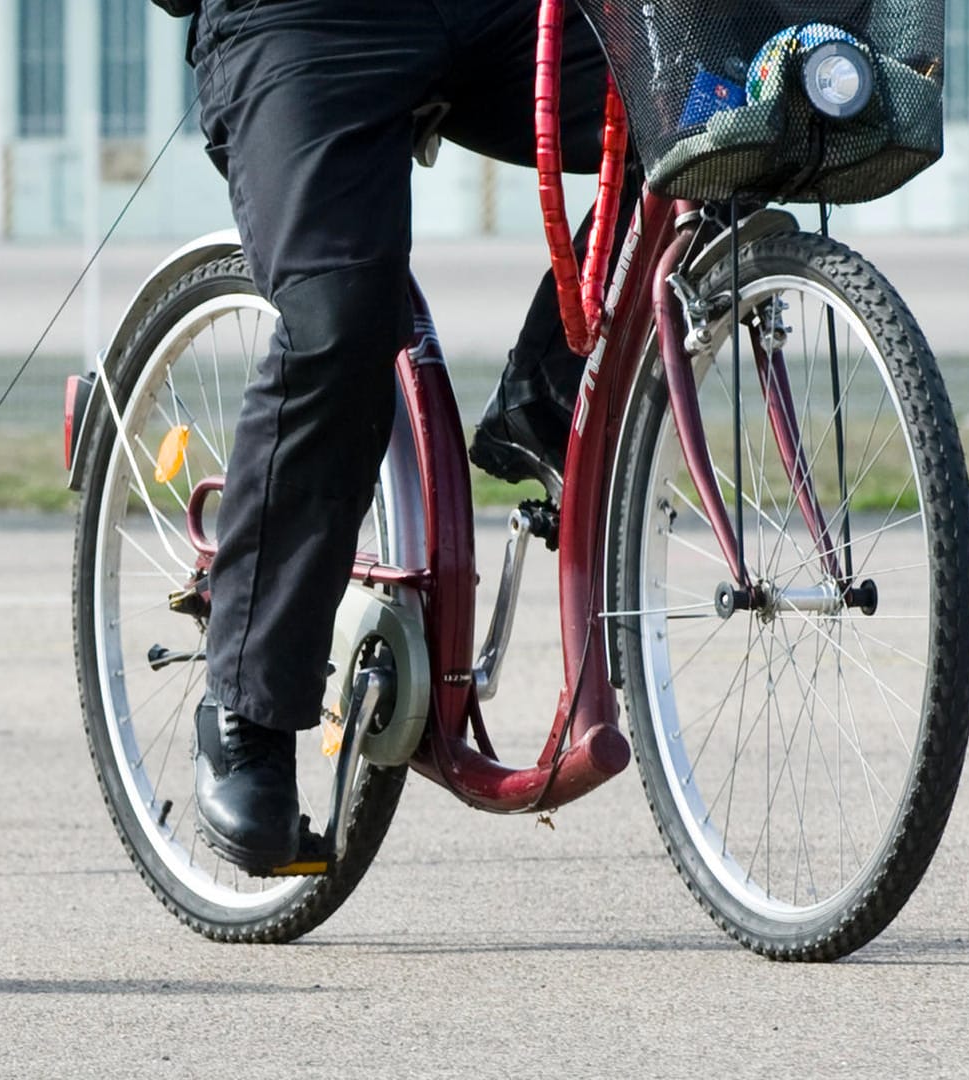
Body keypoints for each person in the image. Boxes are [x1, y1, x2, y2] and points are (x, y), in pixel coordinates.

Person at [162, 0, 639, 872]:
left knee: (725, 107)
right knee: (342, 321)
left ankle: (552, 400)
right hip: (301, 21)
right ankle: (248, 712)